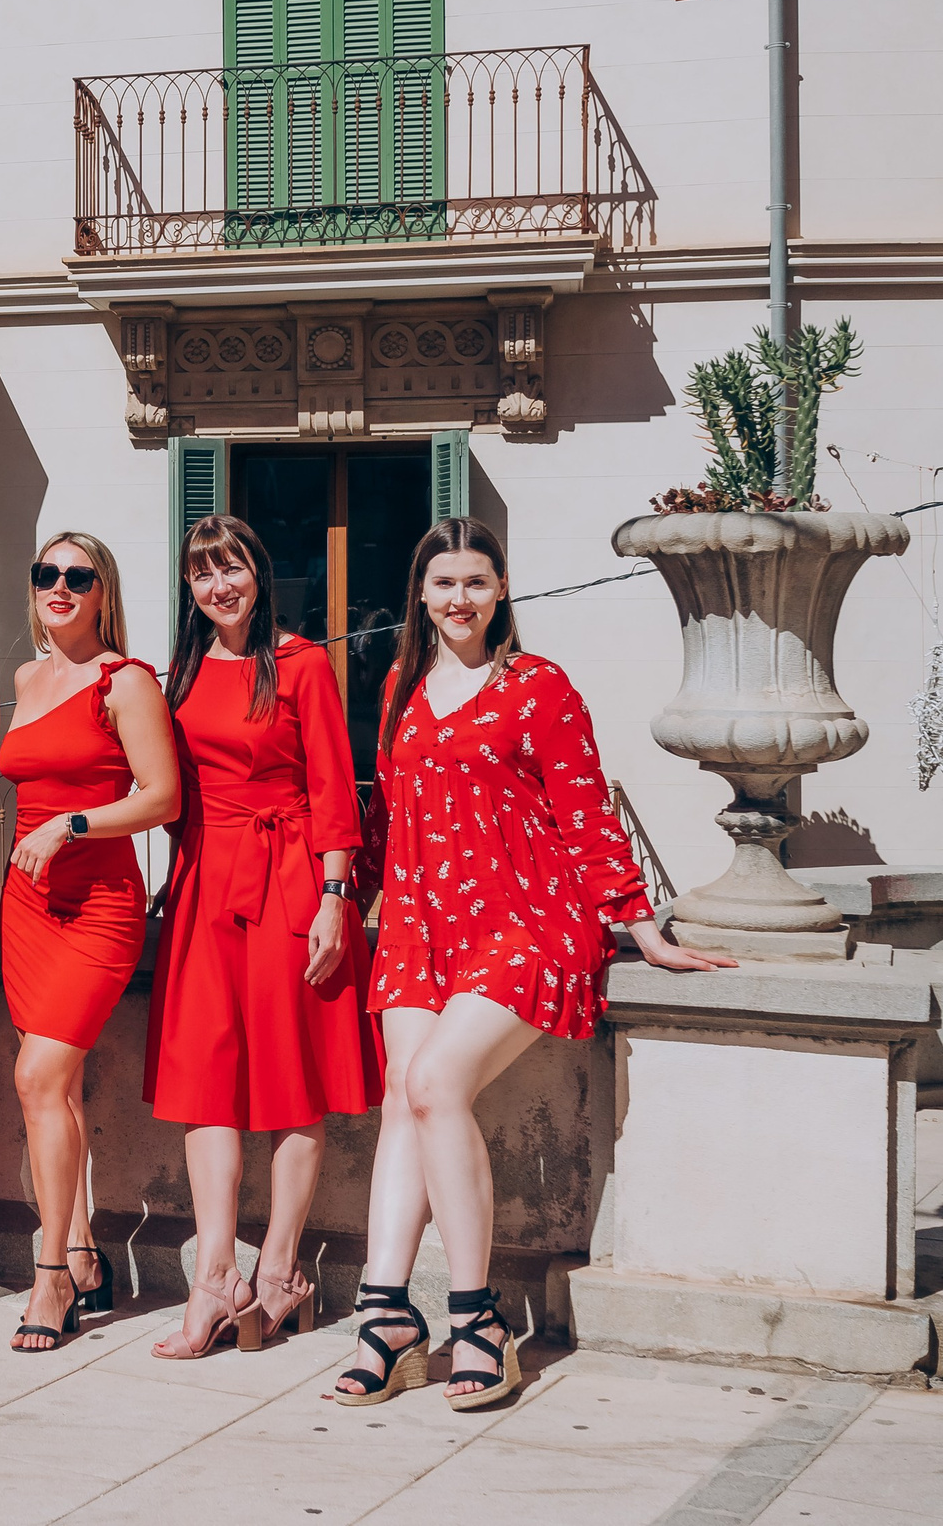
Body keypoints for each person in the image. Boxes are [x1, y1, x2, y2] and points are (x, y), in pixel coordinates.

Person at [327, 519, 736, 1411]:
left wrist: (638, 922)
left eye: (476, 581)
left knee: (436, 1084)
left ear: (502, 588)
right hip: (421, 925)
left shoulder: (539, 686)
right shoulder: (400, 684)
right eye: (443, 583)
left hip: (526, 916)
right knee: (402, 1092)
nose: (460, 599)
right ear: (421, 595)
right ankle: (388, 1315)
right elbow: (388, 818)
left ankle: (477, 1319)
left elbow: (586, 809)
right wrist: (339, 903)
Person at [144, 513, 379, 1357]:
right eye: (202, 572)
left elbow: (331, 789)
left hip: (287, 885)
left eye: (231, 566)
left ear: (259, 571)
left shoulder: (304, 663)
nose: (219, 585)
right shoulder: (179, 672)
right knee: (207, 1076)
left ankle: (279, 1269)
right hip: (206, 887)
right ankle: (215, 1273)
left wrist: (331, 897)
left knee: (288, 1076)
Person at [0, 532, 180, 1353]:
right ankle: (82, 1253)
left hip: (100, 901)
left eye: (77, 575)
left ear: (102, 590)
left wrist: (71, 823)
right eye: (47, 574)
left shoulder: (126, 681)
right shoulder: (27, 677)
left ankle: (49, 1281)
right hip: (26, 903)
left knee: (36, 1074)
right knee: (57, 1085)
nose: (59, 586)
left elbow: (163, 796)